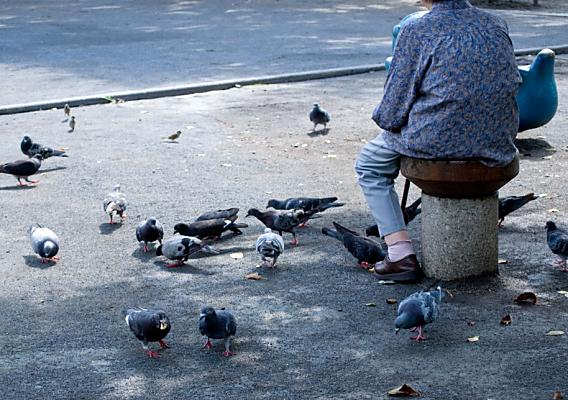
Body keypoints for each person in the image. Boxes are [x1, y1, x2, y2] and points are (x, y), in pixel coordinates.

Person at [355, 0, 521, 282]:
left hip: (436, 140)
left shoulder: (417, 29)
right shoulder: (496, 24)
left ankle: (399, 254)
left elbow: (391, 112)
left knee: (370, 164)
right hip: (498, 139)